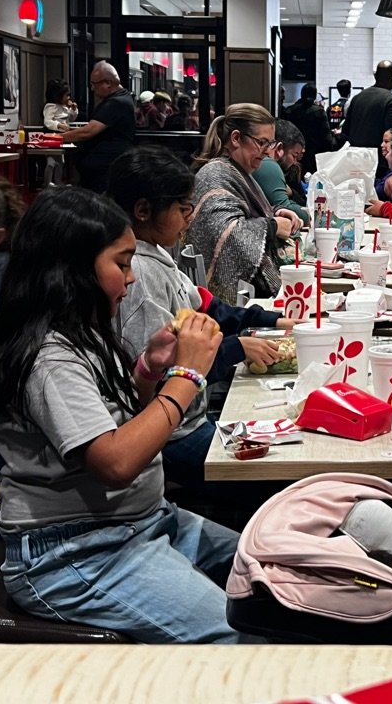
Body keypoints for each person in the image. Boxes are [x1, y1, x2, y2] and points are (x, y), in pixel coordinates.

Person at [0, 186, 260, 643]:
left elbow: (119, 421)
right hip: (74, 553)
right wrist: (186, 375)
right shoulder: (49, 357)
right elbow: (115, 463)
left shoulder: (86, 332)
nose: (132, 277)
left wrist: (148, 370)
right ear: (73, 270)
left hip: (144, 522)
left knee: (275, 582)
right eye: (121, 264)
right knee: (237, 641)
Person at [108, 146, 299, 504]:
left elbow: (206, 306)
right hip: (173, 433)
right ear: (144, 210)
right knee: (279, 477)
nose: (190, 218)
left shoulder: (157, 252)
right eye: (182, 209)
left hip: (190, 417)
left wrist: (270, 319)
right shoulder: (140, 276)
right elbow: (166, 367)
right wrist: (237, 348)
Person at [185, 104, 302, 303]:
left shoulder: (234, 171)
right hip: (230, 302)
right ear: (236, 138)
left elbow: (242, 214)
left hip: (248, 293)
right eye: (261, 142)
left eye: (270, 144)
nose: (266, 152)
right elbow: (227, 233)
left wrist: (277, 213)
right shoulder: (215, 174)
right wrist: (272, 226)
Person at [64, 61, 135, 193]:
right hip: (102, 168)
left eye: (94, 84)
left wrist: (57, 137)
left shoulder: (116, 102)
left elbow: (89, 131)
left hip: (105, 170)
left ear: (108, 83)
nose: (92, 88)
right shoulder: (121, 97)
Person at [340, 61, 392, 177]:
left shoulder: (357, 98)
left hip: (355, 160)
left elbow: (345, 131)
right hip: (379, 163)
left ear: (375, 76)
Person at [253, 119, 310, 226]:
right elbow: (286, 208)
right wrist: (309, 214)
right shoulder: (268, 164)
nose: (266, 150)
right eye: (262, 142)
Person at [285, 83, 333, 175]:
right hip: (314, 155)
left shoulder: (290, 110)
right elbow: (326, 138)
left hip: (294, 153)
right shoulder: (319, 111)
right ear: (314, 96)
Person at [42, 78, 78, 185]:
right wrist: (59, 125)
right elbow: (48, 121)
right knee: (51, 160)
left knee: (61, 161)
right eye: (66, 95)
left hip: (62, 137)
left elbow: (71, 118)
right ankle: (48, 182)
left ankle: (58, 182)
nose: (68, 98)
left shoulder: (65, 107)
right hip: (52, 136)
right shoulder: (50, 107)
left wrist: (74, 110)